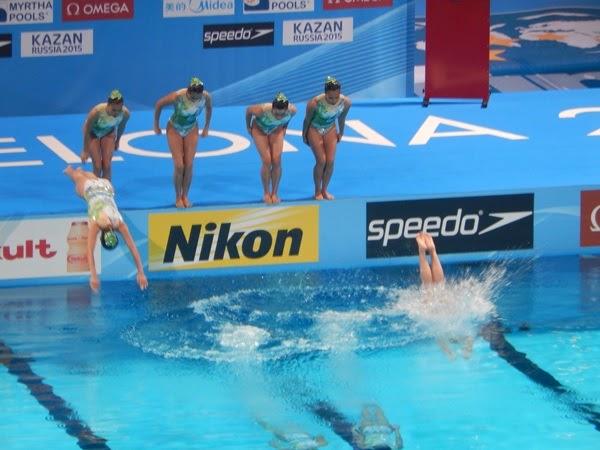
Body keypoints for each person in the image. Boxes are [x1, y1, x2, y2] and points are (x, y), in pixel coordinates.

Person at [64, 165, 148, 293]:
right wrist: (93, 275)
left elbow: (133, 248)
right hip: (90, 190)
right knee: (77, 179)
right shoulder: (96, 223)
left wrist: (141, 272)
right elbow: (89, 251)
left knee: (91, 177)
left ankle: (81, 172)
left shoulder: (119, 223)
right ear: (101, 236)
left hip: (107, 187)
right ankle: (71, 171)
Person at [153, 77, 213, 208]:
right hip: (174, 128)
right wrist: (156, 125)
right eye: (193, 97)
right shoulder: (178, 96)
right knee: (179, 165)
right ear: (189, 92)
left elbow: (209, 108)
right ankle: (177, 196)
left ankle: (185, 195)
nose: (195, 99)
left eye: (197, 97)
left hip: (191, 128)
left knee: (189, 165)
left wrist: (206, 127)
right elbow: (159, 104)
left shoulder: (206, 97)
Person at [416, 232, 473, 360]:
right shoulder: (450, 331)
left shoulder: (460, 330)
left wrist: (463, 351)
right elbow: (440, 339)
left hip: (449, 309)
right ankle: (424, 251)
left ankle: (431, 251)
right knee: (430, 288)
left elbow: (468, 338)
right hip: (439, 312)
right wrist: (449, 353)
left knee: (438, 287)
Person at [302, 76, 352, 201]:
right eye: (330, 98)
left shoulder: (346, 103)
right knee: (321, 161)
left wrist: (341, 132)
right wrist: (304, 135)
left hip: (330, 129)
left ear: (340, 94)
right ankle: (317, 191)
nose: (333, 101)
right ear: (325, 94)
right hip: (315, 129)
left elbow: (341, 118)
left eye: (336, 97)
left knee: (330, 162)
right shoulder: (314, 103)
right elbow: (307, 120)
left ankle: (325, 189)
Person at [246, 93, 297, 204]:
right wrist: (248, 127)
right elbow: (248, 111)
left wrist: (284, 127)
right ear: (273, 108)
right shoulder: (261, 110)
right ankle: (266, 192)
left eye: (281, 114)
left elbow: (287, 119)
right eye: (276, 113)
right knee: (267, 161)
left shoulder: (292, 111)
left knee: (277, 161)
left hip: (276, 130)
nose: (279, 116)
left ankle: (274, 193)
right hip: (259, 130)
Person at [80, 89, 130, 181]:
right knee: (98, 166)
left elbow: (121, 127)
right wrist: (85, 150)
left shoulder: (125, 114)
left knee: (107, 166)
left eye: (119, 110)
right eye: (113, 110)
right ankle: (95, 191)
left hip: (108, 132)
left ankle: (107, 192)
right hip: (92, 133)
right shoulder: (97, 112)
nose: (116, 113)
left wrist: (117, 140)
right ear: (108, 105)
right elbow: (87, 130)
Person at [257, 418, 328, 450]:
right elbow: (322, 440)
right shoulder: (314, 444)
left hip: (290, 438)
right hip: (294, 437)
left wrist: (277, 446)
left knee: (274, 431)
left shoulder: (313, 444)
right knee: (274, 431)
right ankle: (260, 420)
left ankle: (259, 419)